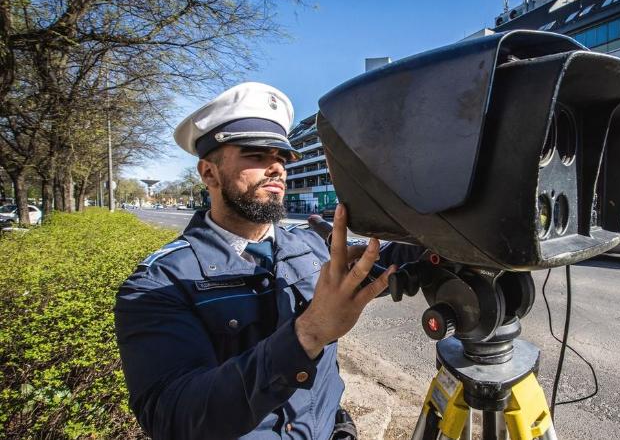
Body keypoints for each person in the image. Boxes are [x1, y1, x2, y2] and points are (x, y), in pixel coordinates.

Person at [115, 82, 417, 439]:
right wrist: (308, 333)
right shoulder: (158, 283)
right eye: (256, 156)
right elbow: (175, 416)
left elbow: (387, 261)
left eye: (281, 157)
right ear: (208, 172)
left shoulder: (312, 245)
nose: (276, 168)